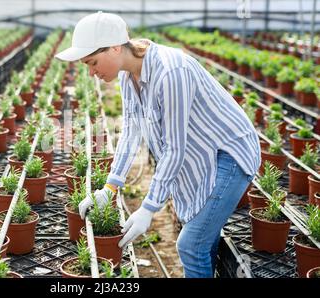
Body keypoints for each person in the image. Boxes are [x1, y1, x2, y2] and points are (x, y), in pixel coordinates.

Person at [55, 12, 260, 278]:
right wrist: (109, 187)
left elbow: (175, 148)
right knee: (200, 239)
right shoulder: (128, 77)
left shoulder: (170, 72)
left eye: (93, 62)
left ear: (115, 47)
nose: (92, 72)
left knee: (190, 244)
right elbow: (131, 133)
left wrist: (149, 208)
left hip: (229, 154)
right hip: (201, 153)